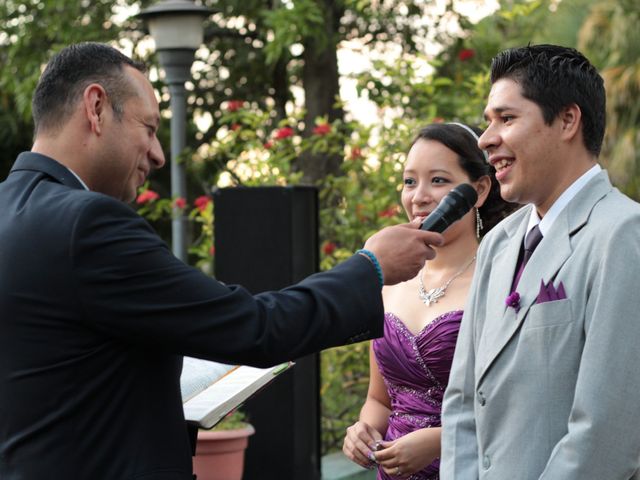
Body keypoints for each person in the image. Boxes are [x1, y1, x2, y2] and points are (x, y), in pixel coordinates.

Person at [0, 42, 444, 479]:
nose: (157, 155)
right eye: (150, 128)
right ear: (96, 107)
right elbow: (255, 326)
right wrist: (371, 266)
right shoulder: (89, 224)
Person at [441, 44, 640, 479]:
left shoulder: (624, 234)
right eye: (488, 120)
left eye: (506, 119)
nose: (485, 138)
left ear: (568, 120)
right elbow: (461, 402)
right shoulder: (496, 245)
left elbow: (606, 434)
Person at [342, 122, 516, 479]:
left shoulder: (502, 280)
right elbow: (380, 400)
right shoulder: (388, 282)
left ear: (479, 190)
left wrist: (440, 441)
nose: (418, 196)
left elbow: (517, 408)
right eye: (409, 181)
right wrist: (362, 431)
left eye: (438, 181)